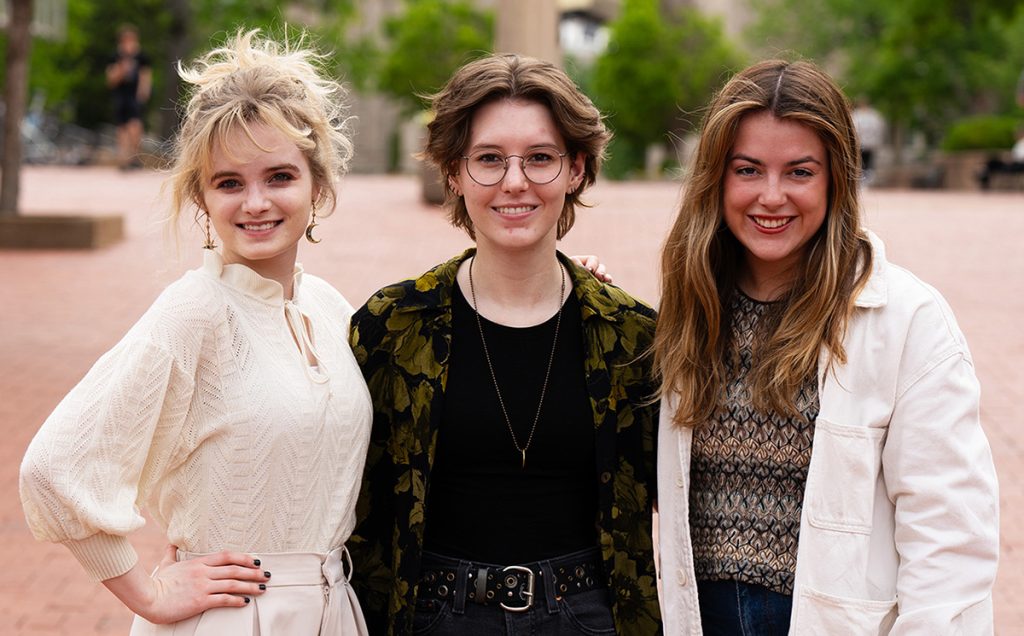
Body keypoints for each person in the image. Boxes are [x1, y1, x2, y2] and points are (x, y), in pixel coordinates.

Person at [20, 29, 371, 635]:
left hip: (333, 612)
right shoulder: (194, 312)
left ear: (318, 185)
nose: (255, 202)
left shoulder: (330, 308)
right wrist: (147, 594)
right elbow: (54, 468)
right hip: (233, 619)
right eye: (229, 182)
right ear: (203, 200)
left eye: (279, 177)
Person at [654, 59, 999, 635]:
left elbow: (950, 537)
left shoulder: (907, 321)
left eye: (799, 172)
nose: (771, 196)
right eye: (748, 170)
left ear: (835, 177)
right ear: (716, 177)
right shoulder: (689, 311)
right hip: (699, 615)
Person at [348, 54, 662, 635]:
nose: (514, 182)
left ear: (577, 170)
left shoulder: (633, 337)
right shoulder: (392, 326)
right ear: (453, 173)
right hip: (434, 615)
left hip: (587, 614)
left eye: (540, 158)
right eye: (489, 159)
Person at [106, 25, 152, 170]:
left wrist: (144, 91)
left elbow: (146, 75)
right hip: (121, 94)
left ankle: (135, 156)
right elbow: (110, 79)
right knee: (122, 127)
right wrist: (122, 68)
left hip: (134, 95)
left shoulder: (141, 56)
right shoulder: (116, 56)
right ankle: (123, 158)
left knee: (135, 125)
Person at [977, 124, 1024, 190]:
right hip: (1013, 163)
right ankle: (984, 171)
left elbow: (1020, 157)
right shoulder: (1018, 143)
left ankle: (984, 172)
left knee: (994, 163)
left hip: (1018, 165)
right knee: (993, 160)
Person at [851, 96, 885, 183]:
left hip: (870, 143)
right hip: (860, 143)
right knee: (861, 161)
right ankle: (862, 178)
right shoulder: (856, 115)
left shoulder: (873, 115)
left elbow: (878, 128)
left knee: (868, 161)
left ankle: (868, 178)